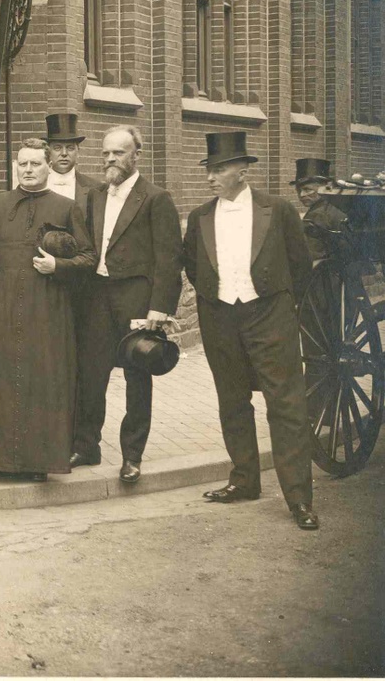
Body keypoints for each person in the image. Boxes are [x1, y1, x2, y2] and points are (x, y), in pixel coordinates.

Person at [184, 131, 318, 530]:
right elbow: (194, 266)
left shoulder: (277, 211)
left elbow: (300, 265)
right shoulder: (200, 216)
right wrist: (218, 295)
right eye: (209, 169)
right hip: (220, 316)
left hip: (269, 315)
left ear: (243, 171)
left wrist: (273, 301)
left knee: (286, 405)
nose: (211, 177)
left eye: (220, 169)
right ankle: (244, 481)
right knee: (232, 400)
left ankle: (299, 499)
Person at [0, 138, 97, 482]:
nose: (29, 170)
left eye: (36, 163)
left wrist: (58, 266)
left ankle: (37, 462)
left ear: (48, 166)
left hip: (46, 306)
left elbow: (88, 258)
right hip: (1, 302)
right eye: (23, 164)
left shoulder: (66, 207)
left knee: (40, 381)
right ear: (15, 167)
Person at [71, 126, 183, 483]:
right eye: (105, 153)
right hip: (98, 298)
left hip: (136, 301)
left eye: (118, 153)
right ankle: (87, 445)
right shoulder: (94, 196)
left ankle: (132, 455)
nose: (110, 159)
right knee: (91, 374)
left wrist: (159, 308)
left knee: (138, 377)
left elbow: (169, 259)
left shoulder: (155, 198)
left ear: (137, 154)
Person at [291, 158, 346, 261]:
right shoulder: (336, 206)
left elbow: (309, 256)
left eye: (307, 189)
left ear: (325, 187)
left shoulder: (316, 215)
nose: (301, 195)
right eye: (298, 190)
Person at [43, 113, 103, 200]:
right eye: (57, 148)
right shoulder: (36, 185)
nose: (64, 153)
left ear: (78, 150)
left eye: (70, 148)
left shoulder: (95, 188)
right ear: (48, 151)